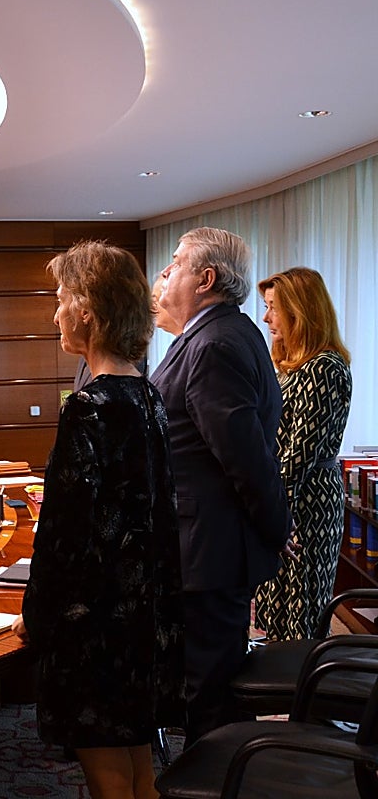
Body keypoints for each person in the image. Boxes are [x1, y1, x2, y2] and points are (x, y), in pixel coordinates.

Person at [12, 242, 184, 799]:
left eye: (61, 299)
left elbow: (64, 539)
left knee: (109, 781)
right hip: (142, 617)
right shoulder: (147, 396)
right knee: (139, 771)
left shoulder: (88, 407)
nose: (55, 314)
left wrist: (35, 616)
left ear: (87, 309)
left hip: (97, 627)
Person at [152, 226, 290, 743]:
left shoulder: (214, 344)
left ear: (206, 279)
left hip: (207, 550)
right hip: (203, 545)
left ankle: (217, 775)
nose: (166, 272)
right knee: (205, 690)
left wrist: (277, 529)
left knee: (209, 699)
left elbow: (246, 459)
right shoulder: (216, 334)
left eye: (176, 263)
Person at [253, 267, 352, 640]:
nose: (267, 318)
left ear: (300, 311)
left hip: (306, 503)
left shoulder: (324, 367)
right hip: (284, 496)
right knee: (278, 611)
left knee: (302, 614)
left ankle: (300, 677)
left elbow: (298, 456)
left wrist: (267, 510)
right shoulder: (289, 366)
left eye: (273, 308)